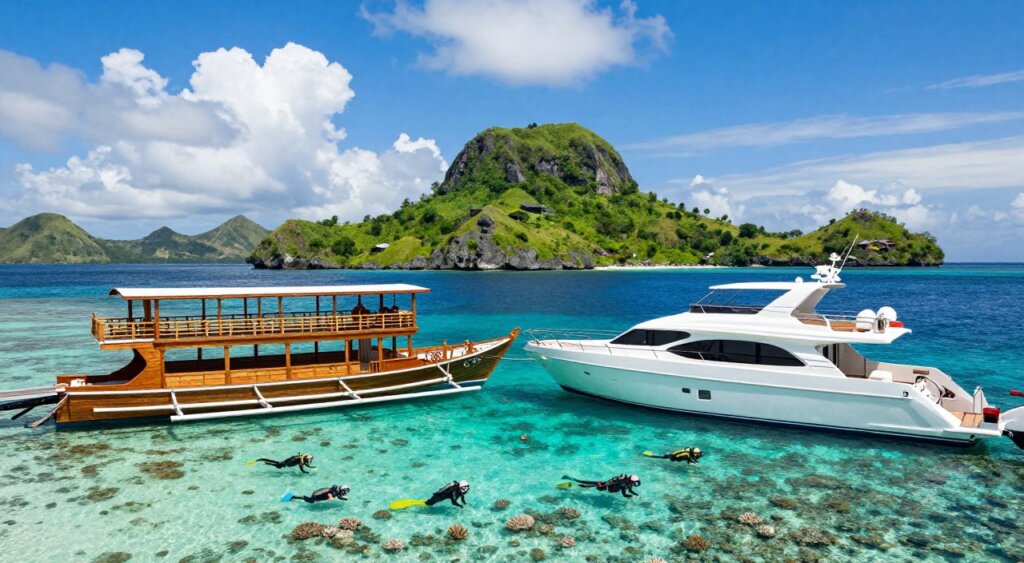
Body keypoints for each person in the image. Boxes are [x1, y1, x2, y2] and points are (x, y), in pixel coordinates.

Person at [562, 474, 641, 497]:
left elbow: (630, 490)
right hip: (602, 487)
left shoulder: (624, 482)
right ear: (631, 481)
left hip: (603, 485)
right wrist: (631, 496)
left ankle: (569, 479)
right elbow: (625, 494)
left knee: (583, 483)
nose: (634, 484)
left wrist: (636, 495)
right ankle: (569, 482)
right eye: (634, 483)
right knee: (584, 485)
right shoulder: (623, 484)